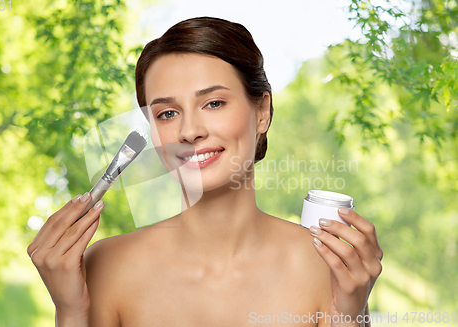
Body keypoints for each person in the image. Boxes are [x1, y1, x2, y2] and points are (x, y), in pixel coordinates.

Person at [27, 16, 383, 327]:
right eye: (167, 113)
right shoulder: (108, 267)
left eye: (213, 103)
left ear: (262, 112)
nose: (189, 131)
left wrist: (349, 316)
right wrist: (71, 312)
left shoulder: (325, 267)